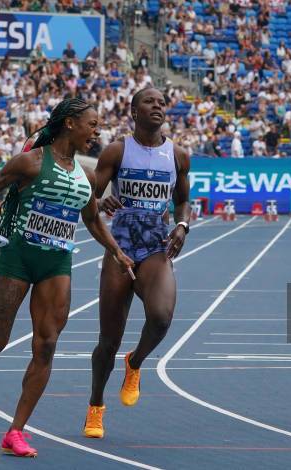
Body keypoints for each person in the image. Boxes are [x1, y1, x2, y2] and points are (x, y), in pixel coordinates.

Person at [0, 98, 134, 457]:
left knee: (46, 345)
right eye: (92, 124)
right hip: (18, 259)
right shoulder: (31, 162)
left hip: (57, 265)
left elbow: (93, 219)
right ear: (69, 123)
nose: (97, 132)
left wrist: (115, 250)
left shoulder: (85, 175)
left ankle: (15, 431)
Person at [83, 87, 191, 439]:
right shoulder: (117, 150)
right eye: (149, 101)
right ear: (134, 111)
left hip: (156, 247)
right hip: (120, 247)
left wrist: (182, 224)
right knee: (108, 341)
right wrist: (102, 203)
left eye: (162, 102)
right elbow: (92, 197)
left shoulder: (177, 155)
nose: (157, 106)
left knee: (160, 317)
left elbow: (183, 202)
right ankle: (96, 405)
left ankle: (136, 362)